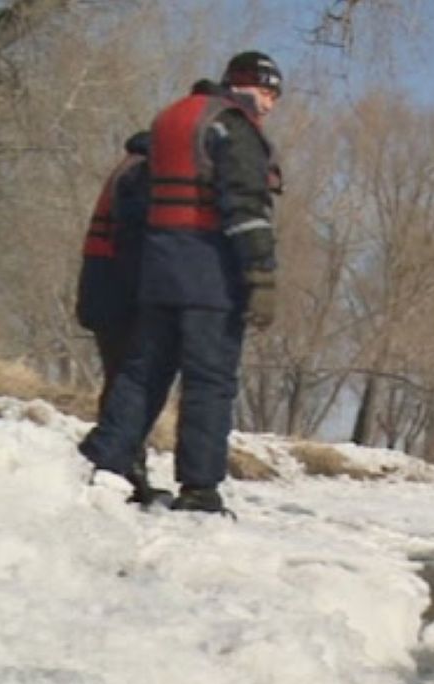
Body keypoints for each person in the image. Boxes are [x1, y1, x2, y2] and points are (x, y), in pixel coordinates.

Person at [79, 51, 283, 514]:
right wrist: (261, 278)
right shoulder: (231, 126)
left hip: (159, 275)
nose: (268, 105)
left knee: (142, 373)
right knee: (209, 383)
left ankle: (103, 463)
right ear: (239, 85)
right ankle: (199, 488)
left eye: (274, 96)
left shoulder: (171, 120)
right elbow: (246, 207)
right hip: (211, 278)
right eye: (265, 92)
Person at [75, 129, 171, 506]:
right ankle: (115, 468)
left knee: (122, 381)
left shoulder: (128, 166)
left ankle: (128, 469)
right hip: (121, 291)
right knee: (134, 382)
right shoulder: (143, 171)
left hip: (103, 287)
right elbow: (137, 234)